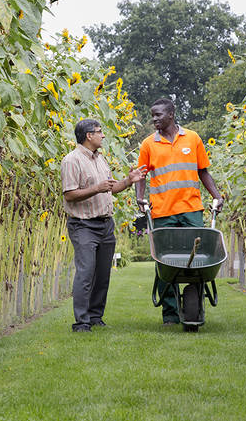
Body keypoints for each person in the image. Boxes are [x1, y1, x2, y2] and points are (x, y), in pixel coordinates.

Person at [135, 97, 224, 325]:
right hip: (163, 212)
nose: (154, 119)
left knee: (197, 261)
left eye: (158, 115)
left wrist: (216, 195)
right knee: (165, 263)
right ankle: (170, 314)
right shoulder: (148, 144)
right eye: (152, 115)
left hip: (191, 209)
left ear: (171, 114)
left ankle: (196, 307)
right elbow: (140, 175)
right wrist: (139, 198)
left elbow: (203, 171)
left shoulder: (192, 138)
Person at [60, 118, 146, 332]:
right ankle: (81, 322)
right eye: (99, 131)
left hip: (105, 224)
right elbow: (69, 195)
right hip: (83, 225)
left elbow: (110, 188)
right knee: (86, 273)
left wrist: (128, 180)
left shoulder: (100, 160)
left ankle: (96, 317)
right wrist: (96, 188)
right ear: (89, 135)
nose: (103, 135)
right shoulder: (72, 160)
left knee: (102, 274)